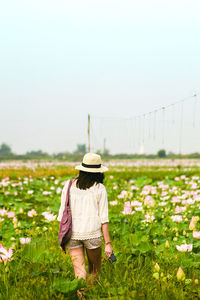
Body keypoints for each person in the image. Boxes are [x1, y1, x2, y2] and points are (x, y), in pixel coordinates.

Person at [57, 152, 113, 298]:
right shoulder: (99, 188)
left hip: (72, 236)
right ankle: (91, 296)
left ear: (81, 169)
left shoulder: (68, 185)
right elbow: (104, 219)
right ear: (99, 172)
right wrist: (108, 243)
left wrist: (61, 238)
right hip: (92, 235)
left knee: (79, 274)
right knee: (94, 271)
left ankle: (81, 297)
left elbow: (62, 215)